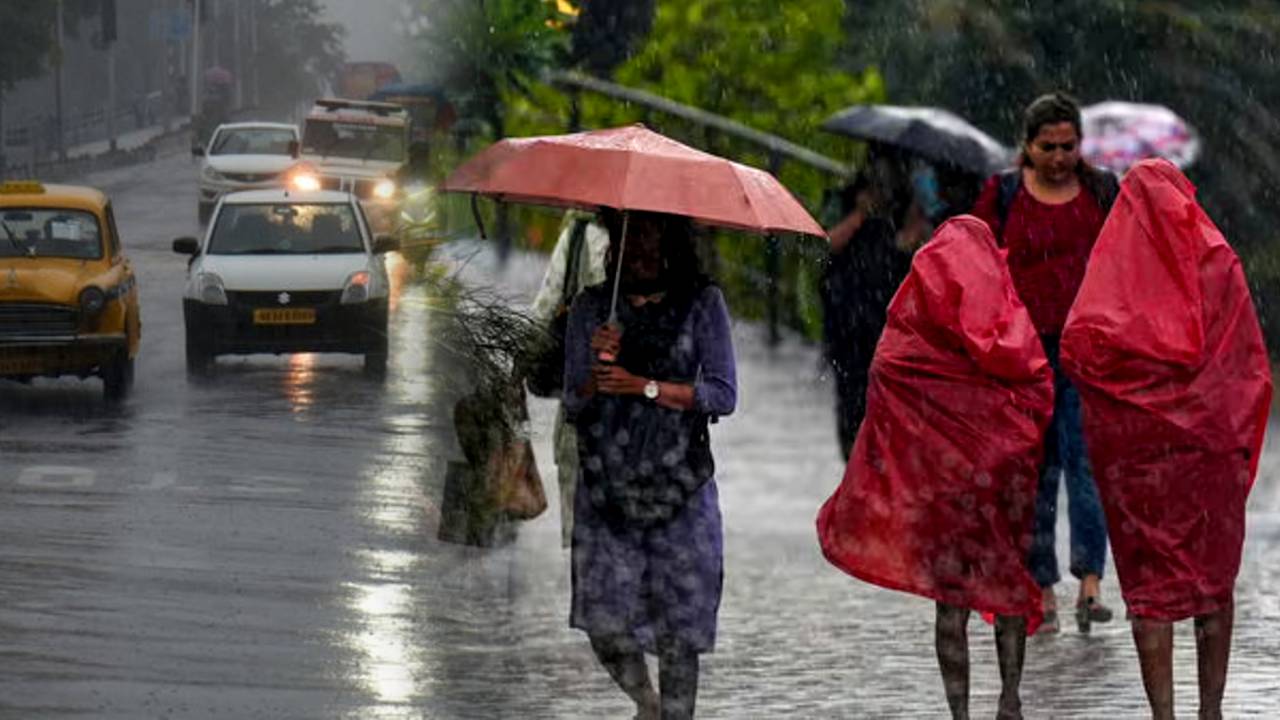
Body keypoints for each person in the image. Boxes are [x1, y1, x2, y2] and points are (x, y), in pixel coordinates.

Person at [818, 216, 1054, 720]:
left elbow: (885, 375)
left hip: (941, 488)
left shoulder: (916, 323)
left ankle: (960, 712)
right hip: (1000, 484)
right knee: (1008, 584)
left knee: (951, 604)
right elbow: (1036, 386)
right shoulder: (1004, 315)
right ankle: (1010, 696)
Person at [1060, 159, 1271, 720]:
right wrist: (1224, 430)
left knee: (1150, 589)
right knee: (1212, 582)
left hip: (1137, 463)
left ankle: (1163, 714)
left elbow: (1078, 352)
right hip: (1209, 456)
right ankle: (1211, 710)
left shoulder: (1112, 276)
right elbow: (1249, 367)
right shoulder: (1217, 262)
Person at [562, 209, 736, 720]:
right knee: (605, 626)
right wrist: (597, 372)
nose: (637, 247)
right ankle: (647, 703)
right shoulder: (592, 308)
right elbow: (574, 402)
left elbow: (722, 395)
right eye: (627, 235)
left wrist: (646, 387)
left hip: (682, 486)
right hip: (606, 489)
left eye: (649, 234)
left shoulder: (704, 305)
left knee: (680, 633)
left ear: (670, 242)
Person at [971, 92, 1119, 633]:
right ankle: (1042, 585)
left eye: (1068, 146)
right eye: (1048, 147)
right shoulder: (1005, 193)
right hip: (1024, 353)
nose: (1058, 157)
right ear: (1027, 146)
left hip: (1087, 349)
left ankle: (1091, 583)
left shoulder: (1102, 190)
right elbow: (978, 256)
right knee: (1036, 471)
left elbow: (1126, 255)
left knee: (1086, 464)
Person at [820, 149, 915, 460]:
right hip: (846, 320)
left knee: (890, 402)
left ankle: (880, 467)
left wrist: (909, 230)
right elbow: (824, 246)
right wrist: (859, 214)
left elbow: (911, 253)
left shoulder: (907, 205)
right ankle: (854, 464)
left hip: (889, 322)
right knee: (850, 399)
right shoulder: (846, 198)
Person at [528, 210, 609, 547]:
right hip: (640, 411)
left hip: (583, 396)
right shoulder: (661, 234)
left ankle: (587, 582)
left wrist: (520, 357)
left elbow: (548, 301)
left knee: (579, 511)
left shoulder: (578, 232)